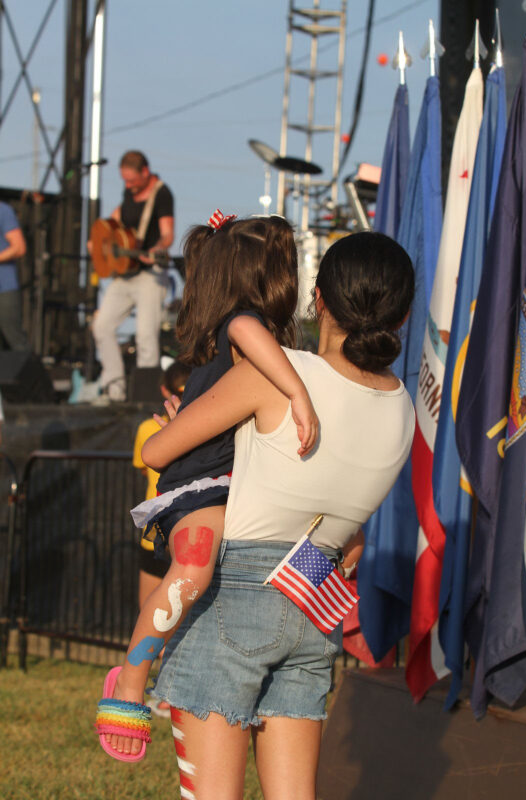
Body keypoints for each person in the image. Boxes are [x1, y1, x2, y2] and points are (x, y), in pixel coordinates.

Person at [144, 230, 415, 800]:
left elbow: (157, 452)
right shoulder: (404, 409)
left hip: (233, 600)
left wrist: (186, 420)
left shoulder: (278, 374)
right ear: (404, 312)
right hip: (314, 606)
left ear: (318, 300)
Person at [95, 213, 319, 762]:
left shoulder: (246, 344)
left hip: (230, 480)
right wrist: (297, 392)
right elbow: (249, 334)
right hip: (203, 484)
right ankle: (131, 678)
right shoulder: (243, 327)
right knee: (194, 564)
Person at [91, 151, 174, 401]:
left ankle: (145, 397)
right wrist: (100, 241)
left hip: (150, 275)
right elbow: (116, 220)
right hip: (125, 272)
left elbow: (167, 234)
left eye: (132, 181)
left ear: (145, 173)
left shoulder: (161, 193)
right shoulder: (128, 193)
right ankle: (114, 390)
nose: (128, 186)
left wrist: (157, 248)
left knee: (146, 335)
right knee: (102, 325)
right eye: (125, 181)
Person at [133, 360, 191, 718]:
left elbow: (148, 461)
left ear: (163, 391)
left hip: (168, 532)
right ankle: (161, 687)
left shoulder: (146, 428)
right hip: (174, 530)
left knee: (158, 611)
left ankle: (164, 688)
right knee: (170, 613)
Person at [0, 201, 30, 352]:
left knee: (15, 339)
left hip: (4, 288)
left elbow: (19, 247)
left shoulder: (3, 211)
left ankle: (31, 375)